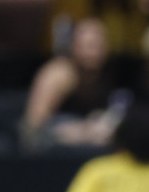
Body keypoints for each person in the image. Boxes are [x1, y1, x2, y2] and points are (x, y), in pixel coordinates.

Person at [23, 18, 124, 149]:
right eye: (89, 46)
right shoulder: (58, 74)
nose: (94, 53)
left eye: (100, 46)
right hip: (55, 152)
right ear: (73, 47)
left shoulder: (106, 75)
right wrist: (80, 131)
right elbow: (32, 127)